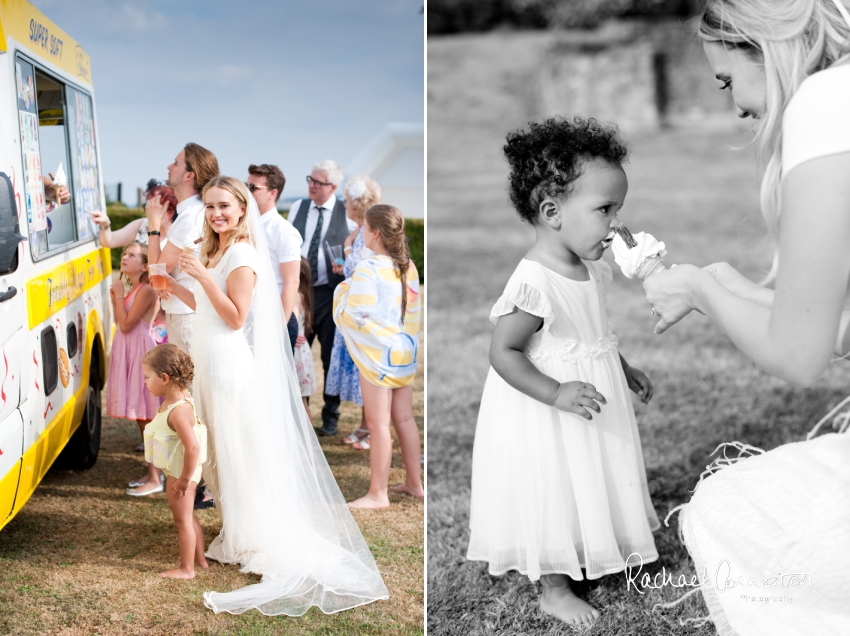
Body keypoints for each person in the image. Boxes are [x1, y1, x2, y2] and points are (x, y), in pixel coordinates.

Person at [642, 1, 850, 633]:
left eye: (728, 80)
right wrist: (725, 284)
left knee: (726, 507)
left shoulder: (826, 100)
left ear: (766, 44)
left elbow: (799, 353)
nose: (734, 107)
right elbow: (837, 332)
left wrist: (704, 294)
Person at [159, 176, 388, 615]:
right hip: (205, 363)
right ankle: (238, 533)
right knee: (220, 457)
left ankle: (258, 538)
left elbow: (234, 316)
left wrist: (204, 278)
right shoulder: (213, 249)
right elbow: (206, 305)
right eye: (209, 206)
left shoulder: (242, 254)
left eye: (224, 205)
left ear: (243, 209)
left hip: (226, 366)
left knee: (238, 453)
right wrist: (175, 287)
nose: (215, 213)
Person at [464, 117, 660, 627]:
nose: (616, 224)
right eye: (604, 210)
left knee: (588, 477)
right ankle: (553, 588)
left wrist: (622, 366)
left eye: (619, 209)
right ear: (552, 211)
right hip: (547, 410)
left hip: (589, 394)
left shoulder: (592, 266)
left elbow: (589, 336)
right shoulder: (533, 280)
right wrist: (555, 392)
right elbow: (504, 352)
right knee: (554, 483)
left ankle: (588, 547)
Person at [333, 204, 424, 509]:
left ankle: (378, 494)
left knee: (379, 425)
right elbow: (411, 313)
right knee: (405, 418)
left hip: (378, 359)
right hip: (403, 352)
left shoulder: (367, 268)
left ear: (373, 233)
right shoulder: (409, 267)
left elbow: (355, 314)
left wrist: (342, 291)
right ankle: (414, 483)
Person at [288, 160, 358, 436]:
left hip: (330, 293)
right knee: (294, 349)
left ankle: (330, 417)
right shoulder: (298, 207)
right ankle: (296, 413)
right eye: (310, 179)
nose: (311, 185)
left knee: (329, 355)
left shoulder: (347, 214)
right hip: (299, 292)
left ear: (333, 187)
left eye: (318, 182)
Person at [141, 344, 208, 579]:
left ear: (165, 378)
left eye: (148, 377)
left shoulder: (178, 411)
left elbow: (192, 447)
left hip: (181, 474)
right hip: (179, 472)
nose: (145, 382)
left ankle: (187, 569)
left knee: (183, 521)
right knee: (188, 516)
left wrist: (183, 480)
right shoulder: (179, 399)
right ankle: (200, 560)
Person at [146, 143, 219, 353]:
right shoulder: (195, 211)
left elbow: (157, 269)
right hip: (186, 310)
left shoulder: (190, 216)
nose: (169, 166)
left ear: (189, 176)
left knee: (188, 383)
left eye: (176, 163)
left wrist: (153, 225)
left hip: (185, 314)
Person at [327, 176, 382, 449]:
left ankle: (373, 429)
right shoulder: (360, 230)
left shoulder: (371, 232)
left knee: (367, 370)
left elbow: (364, 270)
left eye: (347, 201)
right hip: (353, 311)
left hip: (366, 314)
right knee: (361, 372)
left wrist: (347, 250)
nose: (344, 204)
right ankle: (365, 425)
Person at [105, 242, 164, 496]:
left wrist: (118, 294)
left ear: (144, 265)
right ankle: (154, 473)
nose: (124, 257)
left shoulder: (147, 289)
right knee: (143, 418)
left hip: (141, 353)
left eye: (132, 255)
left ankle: (156, 477)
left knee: (149, 417)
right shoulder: (134, 289)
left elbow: (127, 325)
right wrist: (117, 297)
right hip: (130, 351)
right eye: (124, 253)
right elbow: (120, 321)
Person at [246, 163, 302, 351]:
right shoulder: (243, 225)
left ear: (273, 193)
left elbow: (292, 282)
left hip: (274, 319)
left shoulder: (283, 231)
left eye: (253, 188)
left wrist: (278, 330)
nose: (247, 192)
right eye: (246, 186)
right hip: (248, 316)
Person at [90, 182, 178, 248]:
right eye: (146, 206)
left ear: (170, 211)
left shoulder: (178, 233)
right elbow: (110, 241)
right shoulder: (142, 225)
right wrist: (105, 224)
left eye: (153, 207)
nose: (147, 211)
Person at [294, 258, 317, 421]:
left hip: (297, 353)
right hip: (304, 352)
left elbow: (292, 321)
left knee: (300, 402)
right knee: (302, 401)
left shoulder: (295, 296)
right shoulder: (305, 295)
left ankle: (307, 440)